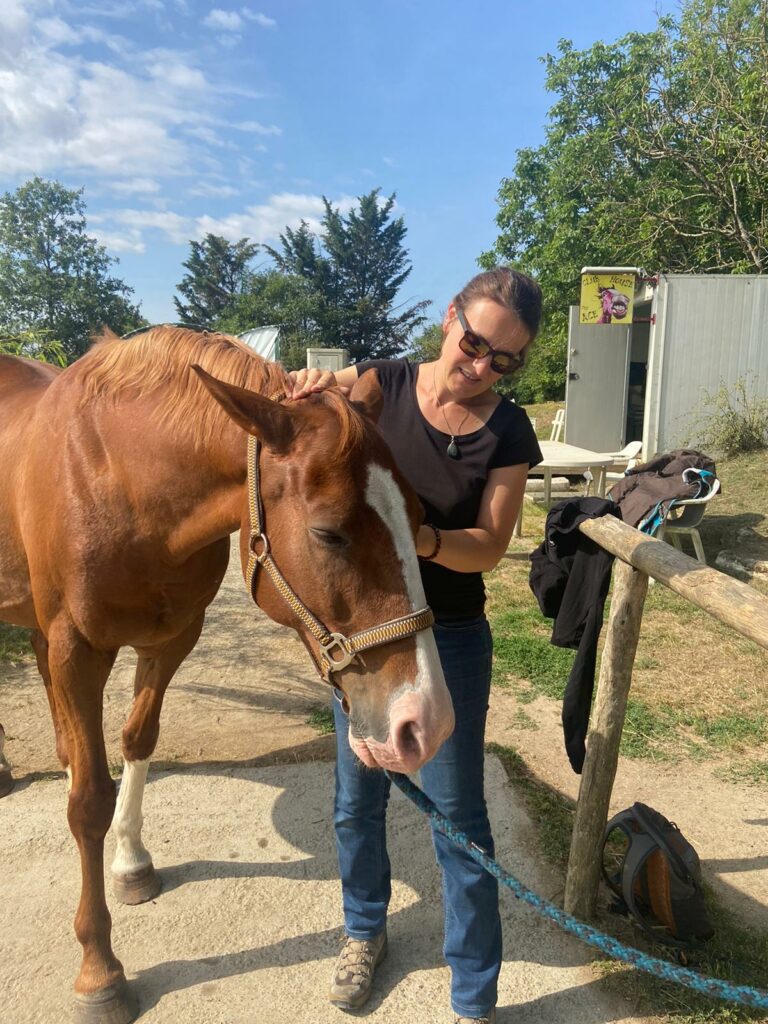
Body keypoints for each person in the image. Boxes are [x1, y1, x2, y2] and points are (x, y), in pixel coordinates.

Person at [290, 267, 543, 1024]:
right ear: (449, 319)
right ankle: (364, 932)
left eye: (504, 360)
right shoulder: (383, 384)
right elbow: (317, 399)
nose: (480, 368)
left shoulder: (510, 430)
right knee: (353, 802)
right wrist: (308, 381)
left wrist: (421, 537)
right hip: (368, 638)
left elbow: (490, 546)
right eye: (474, 344)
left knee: (459, 820)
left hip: (451, 637)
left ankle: (472, 997)